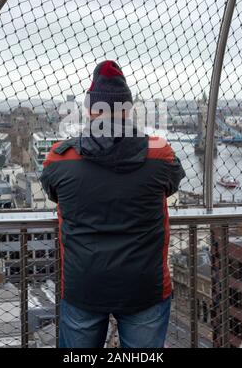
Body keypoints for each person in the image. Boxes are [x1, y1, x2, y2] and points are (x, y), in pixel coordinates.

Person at [41, 60, 185, 348]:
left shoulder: (59, 159)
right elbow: (171, 184)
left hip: (84, 284)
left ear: (89, 111)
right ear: (129, 111)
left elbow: (53, 192)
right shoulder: (160, 154)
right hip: (145, 285)